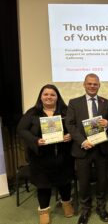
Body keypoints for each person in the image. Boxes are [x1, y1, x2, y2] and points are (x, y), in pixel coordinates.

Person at [17, 84, 74, 224]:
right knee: (43, 185)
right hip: (41, 157)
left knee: (65, 182)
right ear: (41, 96)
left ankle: (66, 203)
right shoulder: (32, 113)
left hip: (63, 155)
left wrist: (70, 136)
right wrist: (36, 140)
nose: (49, 97)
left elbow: (75, 127)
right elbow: (21, 130)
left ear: (57, 97)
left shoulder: (66, 111)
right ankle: (44, 210)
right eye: (46, 94)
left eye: (52, 94)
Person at [65, 73, 108, 224]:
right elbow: (70, 124)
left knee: (102, 180)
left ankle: (101, 206)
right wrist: (83, 141)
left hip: (101, 149)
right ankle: (85, 209)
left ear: (99, 85)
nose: (92, 86)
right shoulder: (74, 102)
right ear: (84, 85)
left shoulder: (106, 102)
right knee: (84, 181)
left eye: (95, 84)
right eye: (90, 84)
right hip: (83, 149)